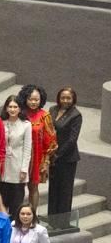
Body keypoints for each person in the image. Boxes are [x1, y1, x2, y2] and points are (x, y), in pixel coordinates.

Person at [20, 85, 57, 212]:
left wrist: (45, 161)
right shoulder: (19, 113)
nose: (33, 102)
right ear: (25, 98)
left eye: (36, 99)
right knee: (17, 189)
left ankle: (32, 216)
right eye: (30, 99)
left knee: (33, 188)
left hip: (37, 158)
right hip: (18, 156)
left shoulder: (44, 116)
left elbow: (51, 140)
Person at [49, 87, 81, 226]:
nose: (65, 100)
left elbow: (72, 140)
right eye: (63, 97)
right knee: (53, 188)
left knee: (64, 190)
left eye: (68, 98)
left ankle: (62, 223)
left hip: (67, 158)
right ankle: (52, 220)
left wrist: (57, 154)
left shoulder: (76, 115)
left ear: (73, 99)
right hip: (52, 156)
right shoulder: (52, 110)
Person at [0, 96, 32, 218]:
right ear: (6, 108)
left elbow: (27, 149)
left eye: (15, 107)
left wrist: (24, 169)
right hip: (2, 166)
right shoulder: (0, 123)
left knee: (16, 202)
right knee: (1, 201)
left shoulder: (26, 125)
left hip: (17, 167)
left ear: (20, 109)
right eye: (10, 107)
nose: (12, 109)